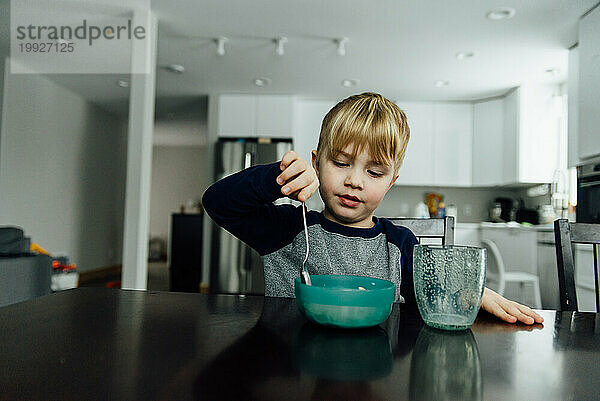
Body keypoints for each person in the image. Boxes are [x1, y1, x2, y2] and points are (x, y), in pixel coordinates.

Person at [203, 92, 543, 325]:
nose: (355, 181)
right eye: (340, 162)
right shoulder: (287, 228)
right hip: (294, 369)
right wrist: (276, 178)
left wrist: (471, 292)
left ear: (391, 181)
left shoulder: (401, 245)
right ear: (316, 164)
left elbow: (435, 295)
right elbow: (217, 202)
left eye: (375, 172)